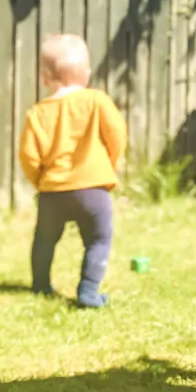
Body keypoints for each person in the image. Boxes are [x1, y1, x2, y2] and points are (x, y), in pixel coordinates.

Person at [18, 33, 127, 309]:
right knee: (99, 239)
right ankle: (88, 291)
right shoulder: (96, 101)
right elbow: (117, 134)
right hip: (92, 190)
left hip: (52, 192)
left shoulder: (37, 113)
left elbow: (28, 155)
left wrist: (40, 181)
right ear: (86, 74)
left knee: (44, 239)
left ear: (44, 77)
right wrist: (110, 164)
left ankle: (41, 285)